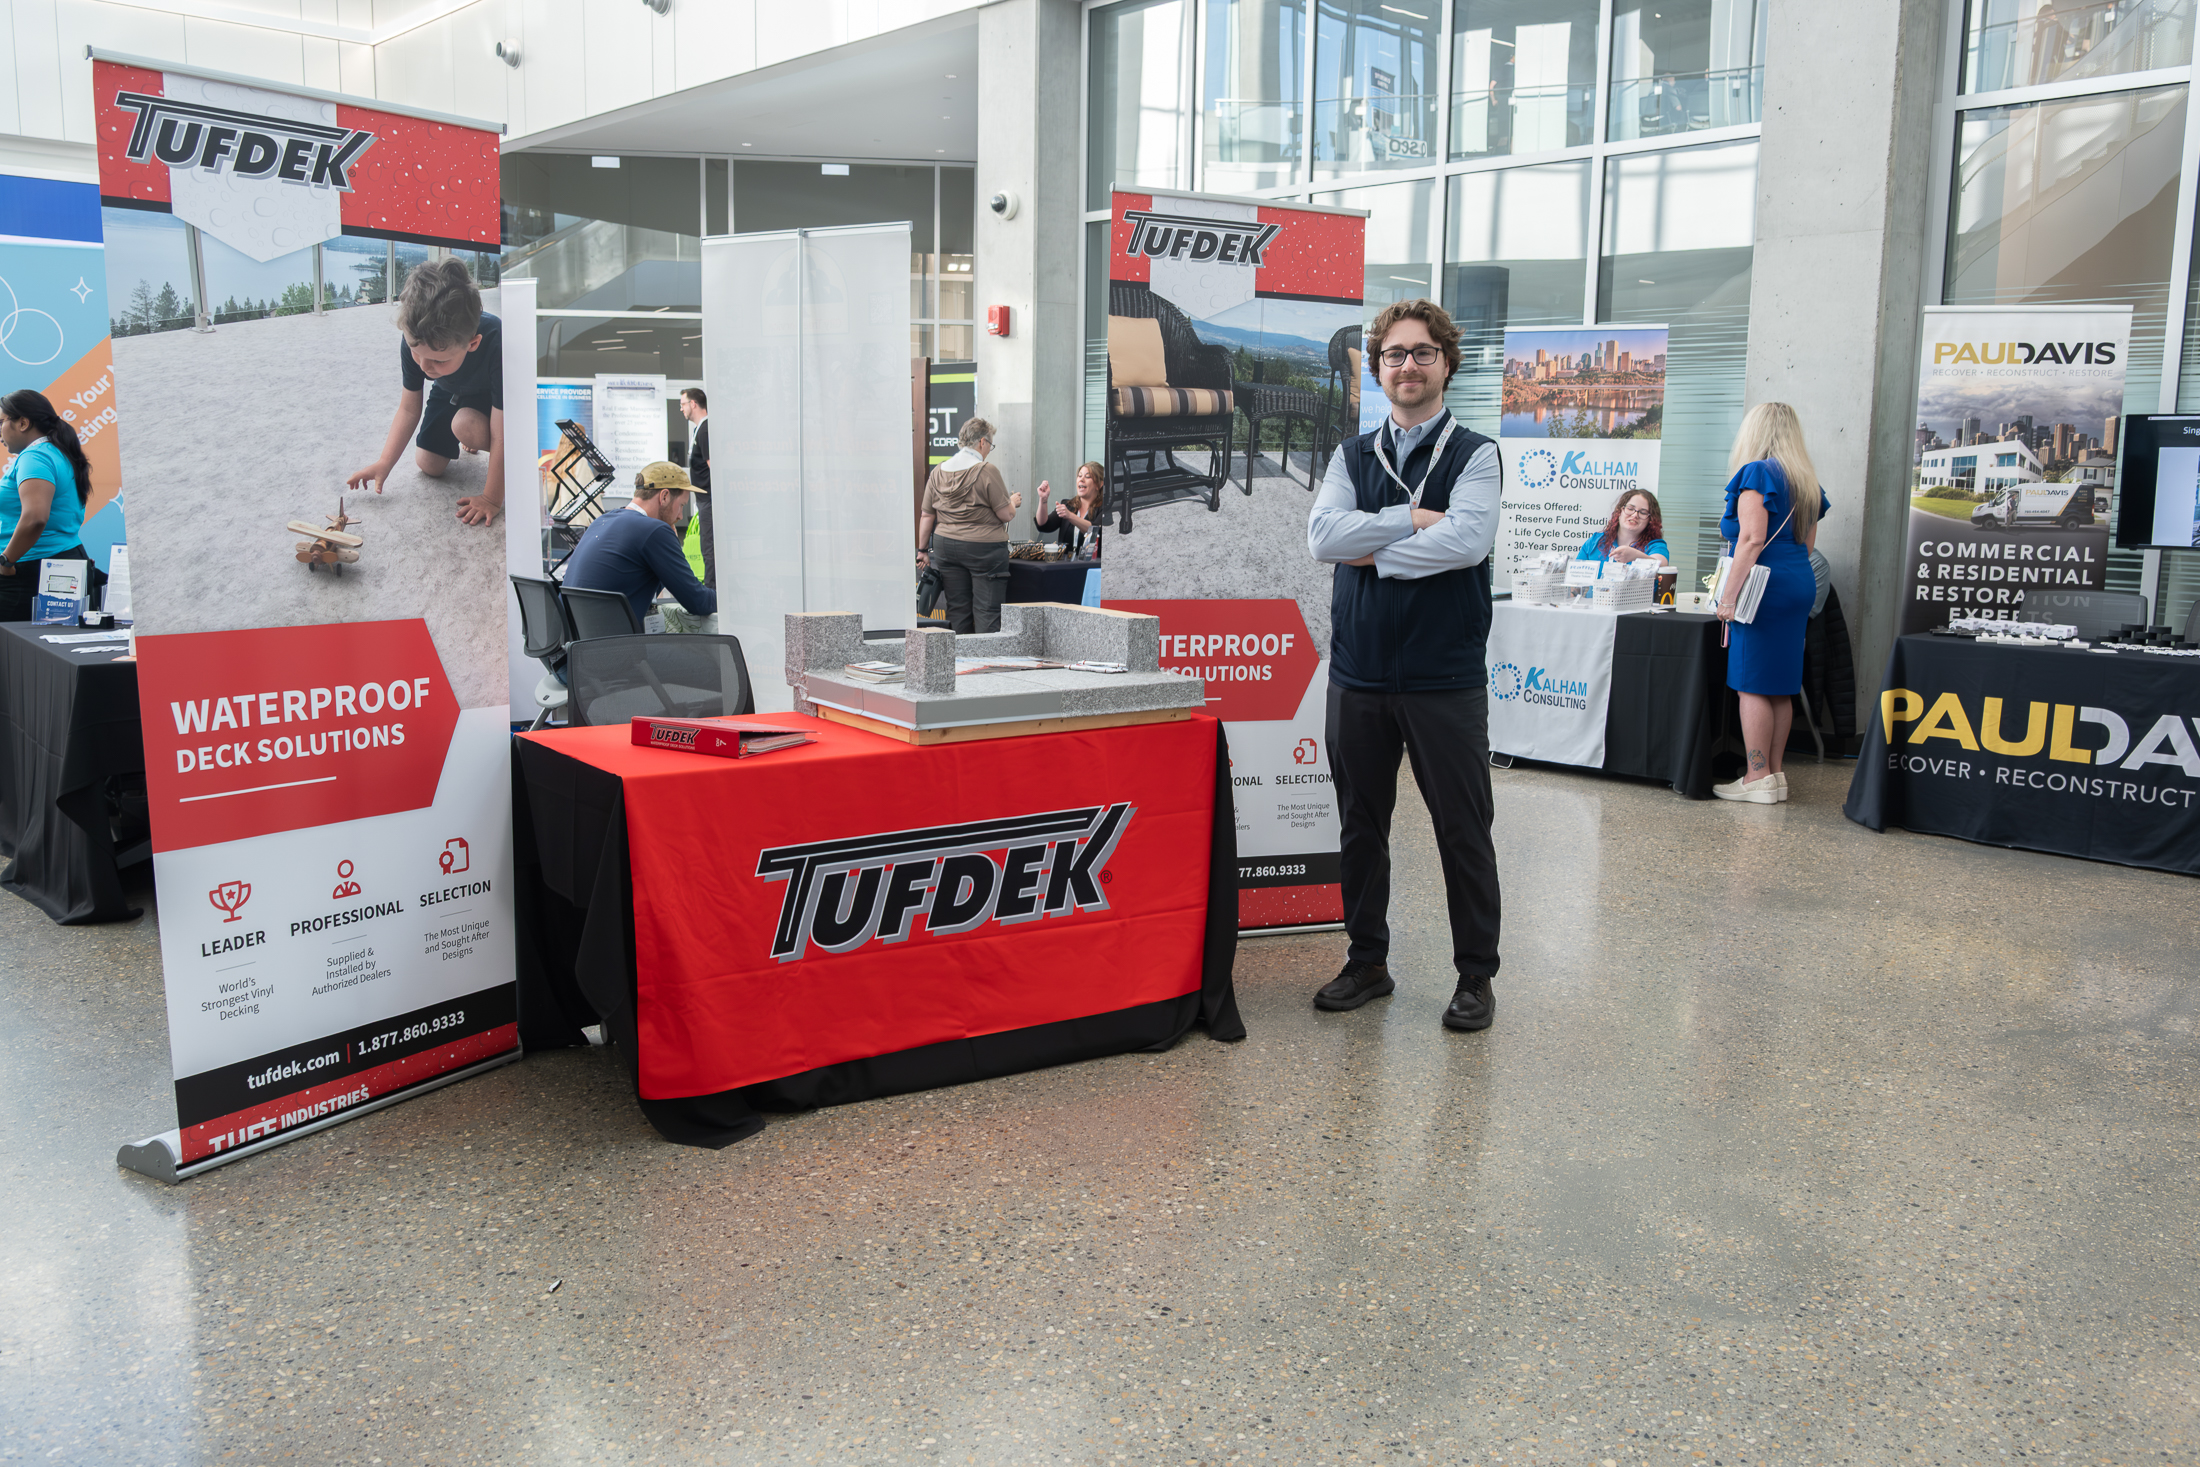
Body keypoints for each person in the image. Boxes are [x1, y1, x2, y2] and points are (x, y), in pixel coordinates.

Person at [1306, 298, 1504, 1033]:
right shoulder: (1351, 455)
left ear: (1446, 363)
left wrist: (1373, 550)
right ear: (1378, 367)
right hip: (1357, 674)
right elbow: (1322, 538)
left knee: (1463, 828)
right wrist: (1412, 520)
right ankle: (1367, 960)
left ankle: (1476, 975)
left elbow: (1467, 542)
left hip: (1443, 678)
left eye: (1422, 352)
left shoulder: (1476, 454)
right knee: (1360, 826)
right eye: (1394, 354)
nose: (1408, 365)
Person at [1713, 402, 1830, 805]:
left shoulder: (1757, 473)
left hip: (1761, 588)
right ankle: (1774, 775)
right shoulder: (1806, 481)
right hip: (1797, 581)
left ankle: (1755, 776)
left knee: (1751, 684)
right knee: (1780, 684)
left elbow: (1751, 540)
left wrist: (1729, 596)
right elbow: (1807, 546)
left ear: (1756, 431)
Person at [346, 258, 505, 527]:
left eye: (439, 360)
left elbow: (502, 432)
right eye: (416, 353)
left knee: (465, 425)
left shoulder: (497, 339)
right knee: (428, 464)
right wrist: (385, 462)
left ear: (472, 343)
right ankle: (471, 433)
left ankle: (497, 445)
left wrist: (491, 497)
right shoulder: (415, 338)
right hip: (449, 390)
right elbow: (409, 409)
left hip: (490, 399)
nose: (424, 367)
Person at [560, 461, 716, 629]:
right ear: (664, 496)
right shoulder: (654, 530)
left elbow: (643, 588)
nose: (680, 516)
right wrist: (730, 599)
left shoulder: (602, 521)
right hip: (615, 641)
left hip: (578, 638)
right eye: (681, 506)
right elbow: (698, 601)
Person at [917, 417, 1023, 632]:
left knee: (957, 608)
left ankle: (958, 653)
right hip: (984, 549)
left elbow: (927, 515)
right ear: (982, 442)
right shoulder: (986, 470)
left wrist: (922, 551)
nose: (989, 450)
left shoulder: (938, 471)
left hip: (946, 547)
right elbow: (1006, 514)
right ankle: (986, 654)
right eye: (990, 445)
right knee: (987, 611)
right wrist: (1012, 502)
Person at [0, 389, 96, 622]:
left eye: (1, 422)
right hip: (57, 563)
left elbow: (35, 518)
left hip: (28, 571)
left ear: (23, 423)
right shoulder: (56, 451)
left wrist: (6, 562)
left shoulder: (34, 457)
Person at [1575, 488, 1669, 567]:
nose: (1635, 515)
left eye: (1643, 512)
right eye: (1630, 508)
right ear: (1619, 511)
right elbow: (1574, 575)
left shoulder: (1655, 545)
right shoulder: (1596, 541)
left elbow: (1661, 566)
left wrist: (1636, 556)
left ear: (1650, 520)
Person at [679, 387, 714, 589]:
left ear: (693, 404)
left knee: (709, 548)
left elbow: (712, 467)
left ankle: (711, 592)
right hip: (703, 500)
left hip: (709, 500)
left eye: (683, 404)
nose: (681, 409)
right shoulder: (698, 430)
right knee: (706, 546)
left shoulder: (706, 430)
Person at [1033, 460, 1105, 560]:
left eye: (1087, 477)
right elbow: (1044, 525)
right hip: (1066, 563)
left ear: (1099, 484)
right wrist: (1043, 500)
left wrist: (1070, 516)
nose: (1081, 480)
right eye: (1079, 476)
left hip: (1092, 564)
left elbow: (1095, 531)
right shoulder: (1068, 505)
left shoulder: (1105, 508)